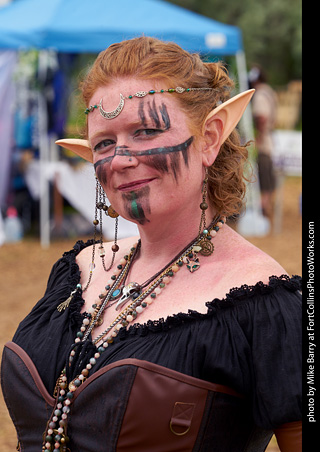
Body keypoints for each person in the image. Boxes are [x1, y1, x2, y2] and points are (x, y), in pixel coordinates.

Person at [1, 37, 301, 452]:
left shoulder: (266, 304)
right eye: (104, 143)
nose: (121, 158)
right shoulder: (78, 270)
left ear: (210, 137)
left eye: (145, 131)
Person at [249, 65, 278, 222]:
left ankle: (264, 205)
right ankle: (267, 203)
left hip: (263, 140)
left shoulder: (260, 94)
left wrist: (258, 136)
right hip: (269, 138)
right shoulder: (269, 91)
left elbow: (262, 116)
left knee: (264, 171)